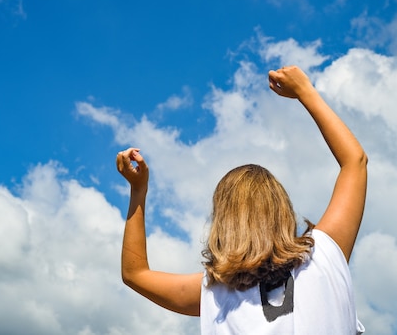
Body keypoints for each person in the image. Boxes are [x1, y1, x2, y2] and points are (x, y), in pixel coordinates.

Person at [116, 65, 367, 334]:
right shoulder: (323, 256)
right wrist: (305, 91)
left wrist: (138, 191)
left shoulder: (214, 292)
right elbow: (355, 162)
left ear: (222, 222)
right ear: (282, 210)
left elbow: (135, 274)